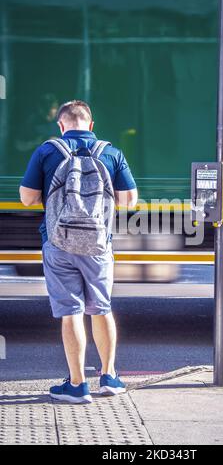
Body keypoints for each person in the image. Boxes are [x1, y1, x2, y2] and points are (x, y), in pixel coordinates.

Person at [19, 100, 138, 404]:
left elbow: (27, 198)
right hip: (99, 244)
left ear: (61, 125)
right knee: (101, 307)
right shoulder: (110, 152)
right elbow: (129, 201)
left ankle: (77, 385)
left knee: (70, 311)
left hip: (58, 243)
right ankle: (109, 377)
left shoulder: (48, 150)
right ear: (91, 125)